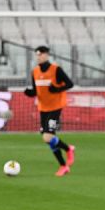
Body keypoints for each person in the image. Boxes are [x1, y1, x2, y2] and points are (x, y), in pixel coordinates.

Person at [24, 46, 76, 177]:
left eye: (41, 54)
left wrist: (57, 89)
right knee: (48, 139)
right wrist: (30, 93)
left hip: (55, 107)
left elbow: (70, 84)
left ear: (47, 55)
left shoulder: (56, 70)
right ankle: (68, 148)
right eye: (37, 55)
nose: (39, 57)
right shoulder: (35, 71)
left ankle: (63, 166)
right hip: (43, 108)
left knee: (47, 136)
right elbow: (36, 90)